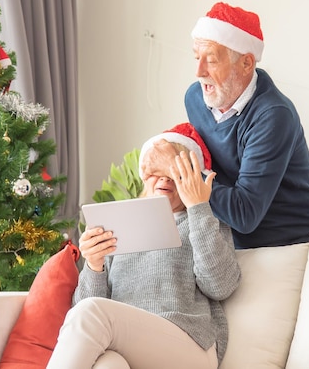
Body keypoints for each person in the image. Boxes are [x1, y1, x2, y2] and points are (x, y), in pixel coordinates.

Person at [47, 123, 241, 369]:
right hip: (126, 346)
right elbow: (84, 311)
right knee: (108, 365)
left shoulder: (203, 222)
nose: (164, 179)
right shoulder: (118, 224)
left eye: (175, 173)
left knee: (93, 313)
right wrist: (94, 266)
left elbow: (220, 286)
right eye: (157, 171)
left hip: (189, 345)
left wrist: (197, 208)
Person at [141, 2, 309, 249]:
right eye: (197, 58)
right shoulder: (195, 98)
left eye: (211, 61)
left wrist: (174, 166)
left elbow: (244, 214)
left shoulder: (273, 116)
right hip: (229, 239)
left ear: (247, 64)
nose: (199, 72)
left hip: (288, 243)